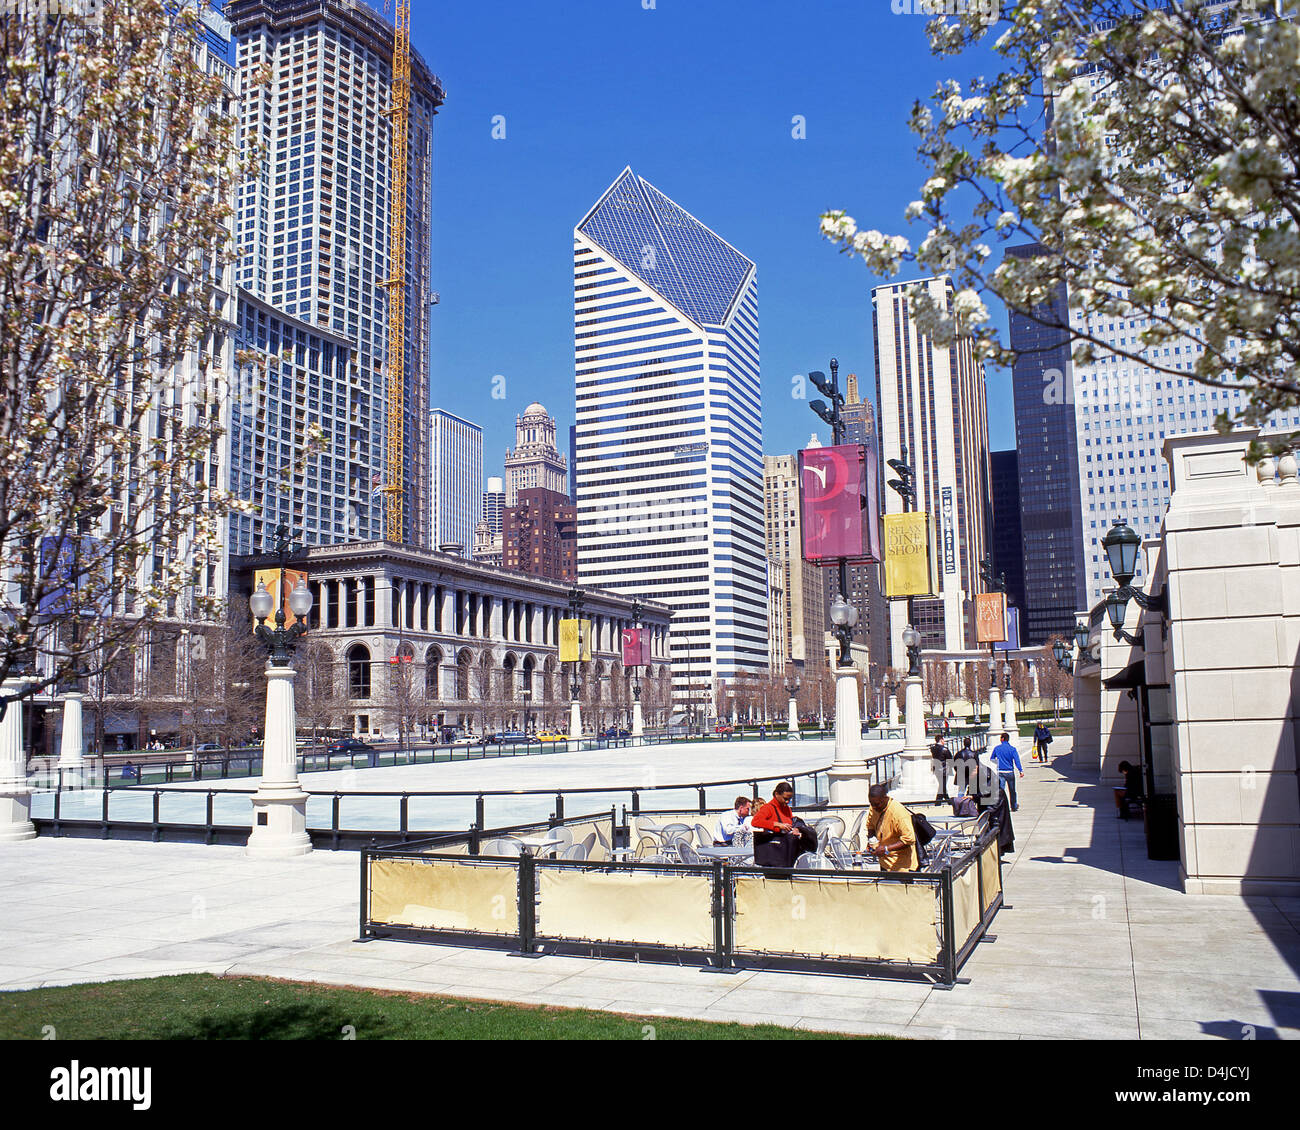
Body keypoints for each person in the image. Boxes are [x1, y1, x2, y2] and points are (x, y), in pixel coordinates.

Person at [751, 782, 816, 868]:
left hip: (787, 850)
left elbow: (790, 822)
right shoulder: (768, 807)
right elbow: (755, 821)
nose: (787, 801)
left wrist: (796, 829)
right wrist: (776, 825)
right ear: (777, 794)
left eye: (790, 799)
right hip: (775, 852)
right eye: (785, 798)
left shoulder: (787, 808)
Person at [864, 784, 918, 872]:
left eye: (877, 804)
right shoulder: (874, 807)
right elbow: (871, 826)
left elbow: (909, 839)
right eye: (871, 804)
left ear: (885, 798)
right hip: (884, 864)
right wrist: (871, 841)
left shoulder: (898, 813)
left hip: (902, 867)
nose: (874, 807)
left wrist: (886, 849)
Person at [990, 730, 1024, 812]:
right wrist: (1020, 770)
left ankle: (1001, 806)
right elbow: (1017, 761)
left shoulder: (997, 748)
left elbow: (991, 759)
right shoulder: (1012, 749)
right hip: (1009, 772)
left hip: (1001, 772)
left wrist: (998, 763)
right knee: (1012, 790)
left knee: (1001, 791)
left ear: (1002, 739)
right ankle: (1014, 806)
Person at [930, 736, 951, 802]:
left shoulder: (932, 748)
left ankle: (947, 800)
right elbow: (950, 759)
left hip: (936, 769)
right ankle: (938, 801)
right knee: (942, 785)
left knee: (942, 784)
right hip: (944, 769)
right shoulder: (944, 749)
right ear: (941, 740)